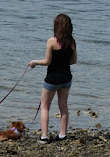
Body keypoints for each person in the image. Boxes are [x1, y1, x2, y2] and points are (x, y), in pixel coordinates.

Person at [29, 14, 77, 144]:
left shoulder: (52, 41)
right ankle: (63, 134)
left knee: (45, 106)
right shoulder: (72, 42)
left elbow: (47, 61)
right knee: (63, 106)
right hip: (66, 78)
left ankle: (44, 136)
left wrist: (34, 62)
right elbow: (74, 60)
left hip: (52, 79)